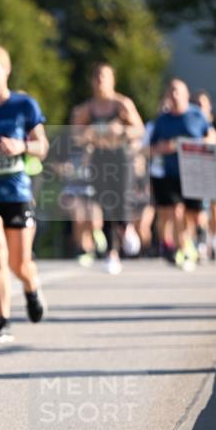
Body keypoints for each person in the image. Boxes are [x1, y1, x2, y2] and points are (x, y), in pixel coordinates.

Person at [0, 46, 49, 344]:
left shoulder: (23, 105)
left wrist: (22, 147)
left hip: (16, 193)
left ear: (6, 69)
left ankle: (31, 286)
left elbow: (43, 146)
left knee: (20, 264)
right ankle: (2, 320)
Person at [71, 63, 144, 274]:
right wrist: (91, 133)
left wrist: (120, 130)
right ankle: (112, 253)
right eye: (97, 77)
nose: (101, 81)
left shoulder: (122, 104)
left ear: (113, 80)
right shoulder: (87, 109)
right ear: (93, 82)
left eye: (105, 76)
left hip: (121, 158)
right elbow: (75, 136)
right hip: (99, 159)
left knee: (121, 198)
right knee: (105, 205)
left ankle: (126, 227)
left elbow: (139, 130)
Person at [150, 79, 216, 270]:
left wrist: (199, 143)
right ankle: (184, 248)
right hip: (171, 173)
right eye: (170, 91)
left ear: (187, 95)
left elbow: (211, 136)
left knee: (193, 215)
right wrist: (163, 148)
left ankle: (199, 238)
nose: (174, 95)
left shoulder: (197, 115)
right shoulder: (162, 121)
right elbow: (151, 147)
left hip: (195, 172)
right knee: (176, 210)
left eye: (178, 91)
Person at [193, 90, 216, 261]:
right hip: (198, 173)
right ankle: (203, 242)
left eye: (202, 103)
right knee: (200, 209)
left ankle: (215, 241)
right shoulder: (192, 123)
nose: (199, 107)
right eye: (196, 104)